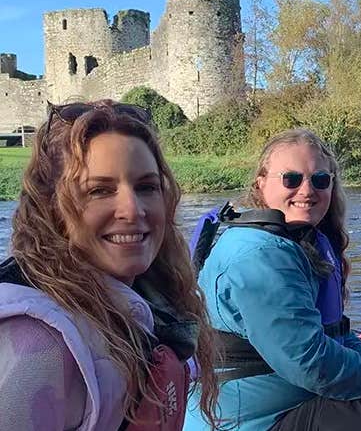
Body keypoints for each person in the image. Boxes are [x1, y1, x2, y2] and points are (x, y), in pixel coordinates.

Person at [184, 128, 361, 431]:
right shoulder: (260, 257)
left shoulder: (292, 241)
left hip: (280, 395)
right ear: (261, 184)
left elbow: (335, 334)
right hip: (249, 421)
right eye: (291, 179)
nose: (307, 190)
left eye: (319, 180)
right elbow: (310, 363)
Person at [0, 100, 219, 430]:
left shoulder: (149, 301)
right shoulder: (39, 344)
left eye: (146, 187)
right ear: (52, 209)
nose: (132, 210)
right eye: (99, 190)